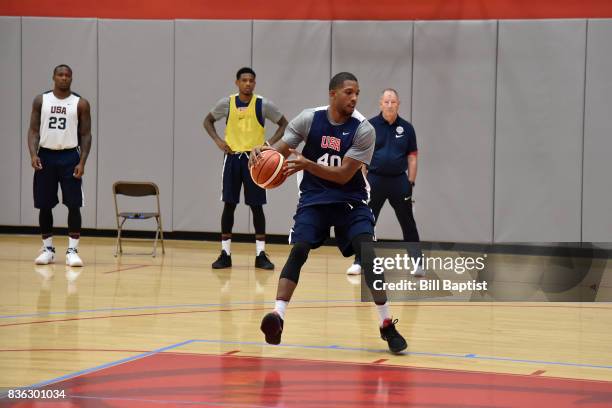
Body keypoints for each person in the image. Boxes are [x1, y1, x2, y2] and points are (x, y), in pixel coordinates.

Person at [250, 72, 408, 354]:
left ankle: (386, 324)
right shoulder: (309, 119)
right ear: (332, 94)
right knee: (298, 250)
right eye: (349, 92)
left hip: (351, 199)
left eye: (357, 92)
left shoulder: (363, 129)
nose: (354, 98)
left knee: (368, 254)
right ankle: (277, 316)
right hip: (314, 199)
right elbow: (280, 150)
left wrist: (307, 164)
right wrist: (261, 154)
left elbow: (345, 176)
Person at [204, 67, 288, 270]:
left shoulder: (263, 104)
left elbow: (284, 124)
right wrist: (217, 140)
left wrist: (268, 144)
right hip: (232, 158)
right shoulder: (227, 103)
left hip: (255, 161)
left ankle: (261, 254)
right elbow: (207, 121)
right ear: (237, 82)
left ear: (255, 83)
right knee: (229, 205)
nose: (248, 83)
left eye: (251, 80)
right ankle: (225, 253)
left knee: (257, 206)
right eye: (244, 80)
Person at [346, 88, 424, 277]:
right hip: (374, 180)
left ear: (398, 104)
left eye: (393, 102)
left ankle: (417, 263)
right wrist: (362, 181)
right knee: (366, 222)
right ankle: (359, 261)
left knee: (408, 223)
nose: (390, 105)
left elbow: (412, 157)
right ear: (380, 103)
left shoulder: (407, 128)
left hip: (399, 181)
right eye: (386, 101)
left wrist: (410, 183)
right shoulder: (370, 126)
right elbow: (362, 156)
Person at [27, 64, 92, 267]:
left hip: (69, 156)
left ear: (71, 78)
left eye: (67, 75)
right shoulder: (41, 100)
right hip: (46, 155)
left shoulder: (80, 103)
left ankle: (72, 250)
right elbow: (33, 131)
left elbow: (86, 134)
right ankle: (48, 249)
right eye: (60, 75)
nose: (64, 78)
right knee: (45, 204)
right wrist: (33, 154)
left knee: (73, 204)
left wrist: (82, 161)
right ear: (53, 77)